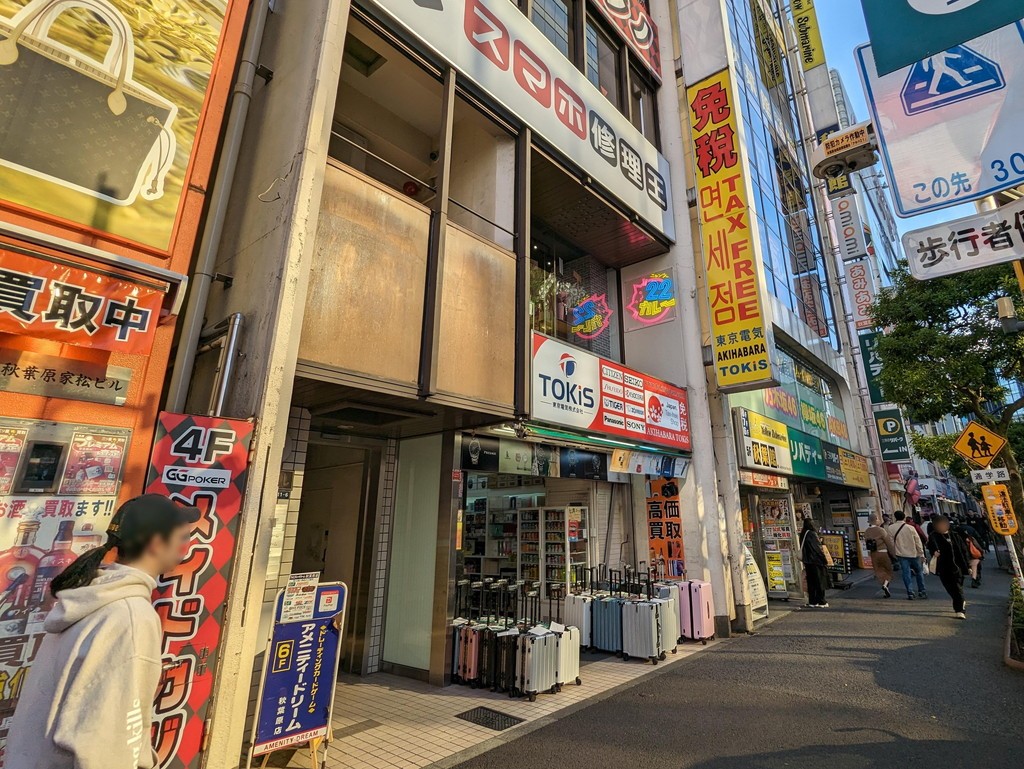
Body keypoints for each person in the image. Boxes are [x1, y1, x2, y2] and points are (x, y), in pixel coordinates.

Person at [6, 494, 199, 769]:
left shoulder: (89, 595)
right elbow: (105, 741)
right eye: (182, 537)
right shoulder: (131, 615)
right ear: (156, 544)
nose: (186, 545)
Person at [927, 514, 971, 619]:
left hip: (958, 567)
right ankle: (960, 605)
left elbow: (964, 551)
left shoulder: (955, 535)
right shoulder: (934, 536)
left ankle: (960, 606)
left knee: (957, 588)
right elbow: (931, 547)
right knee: (951, 588)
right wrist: (934, 552)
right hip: (944, 568)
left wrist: (968, 565)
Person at [887, 510, 927, 600]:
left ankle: (910, 592)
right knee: (919, 572)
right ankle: (922, 591)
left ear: (895, 517)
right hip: (914, 553)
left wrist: (894, 553)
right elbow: (917, 541)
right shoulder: (910, 528)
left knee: (906, 573)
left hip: (901, 553)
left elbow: (891, 543)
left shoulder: (891, 528)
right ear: (904, 517)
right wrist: (921, 554)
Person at [863, 513, 896, 597]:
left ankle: (884, 585)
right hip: (883, 552)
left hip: (873, 554)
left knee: (879, 571)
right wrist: (893, 554)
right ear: (876, 519)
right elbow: (888, 542)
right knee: (888, 570)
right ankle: (885, 584)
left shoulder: (866, 532)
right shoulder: (881, 530)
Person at [800, 518, 830, 609]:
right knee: (820, 581)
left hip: (807, 562)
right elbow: (818, 548)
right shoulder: (812, 534)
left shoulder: (803, 534)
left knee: (811, 582)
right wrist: (824, 560)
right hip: (816, 561)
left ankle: (812, 601)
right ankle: (821, 601)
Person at [955, 518, 986, 588]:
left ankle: (960, 579)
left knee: (961, 565)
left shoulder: (955, 530)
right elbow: (977, 540)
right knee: (974, 565)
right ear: (965, 521)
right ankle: (974, 579)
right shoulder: (970, 530)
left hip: (959, 551)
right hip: (971, 551)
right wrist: (982, 548)